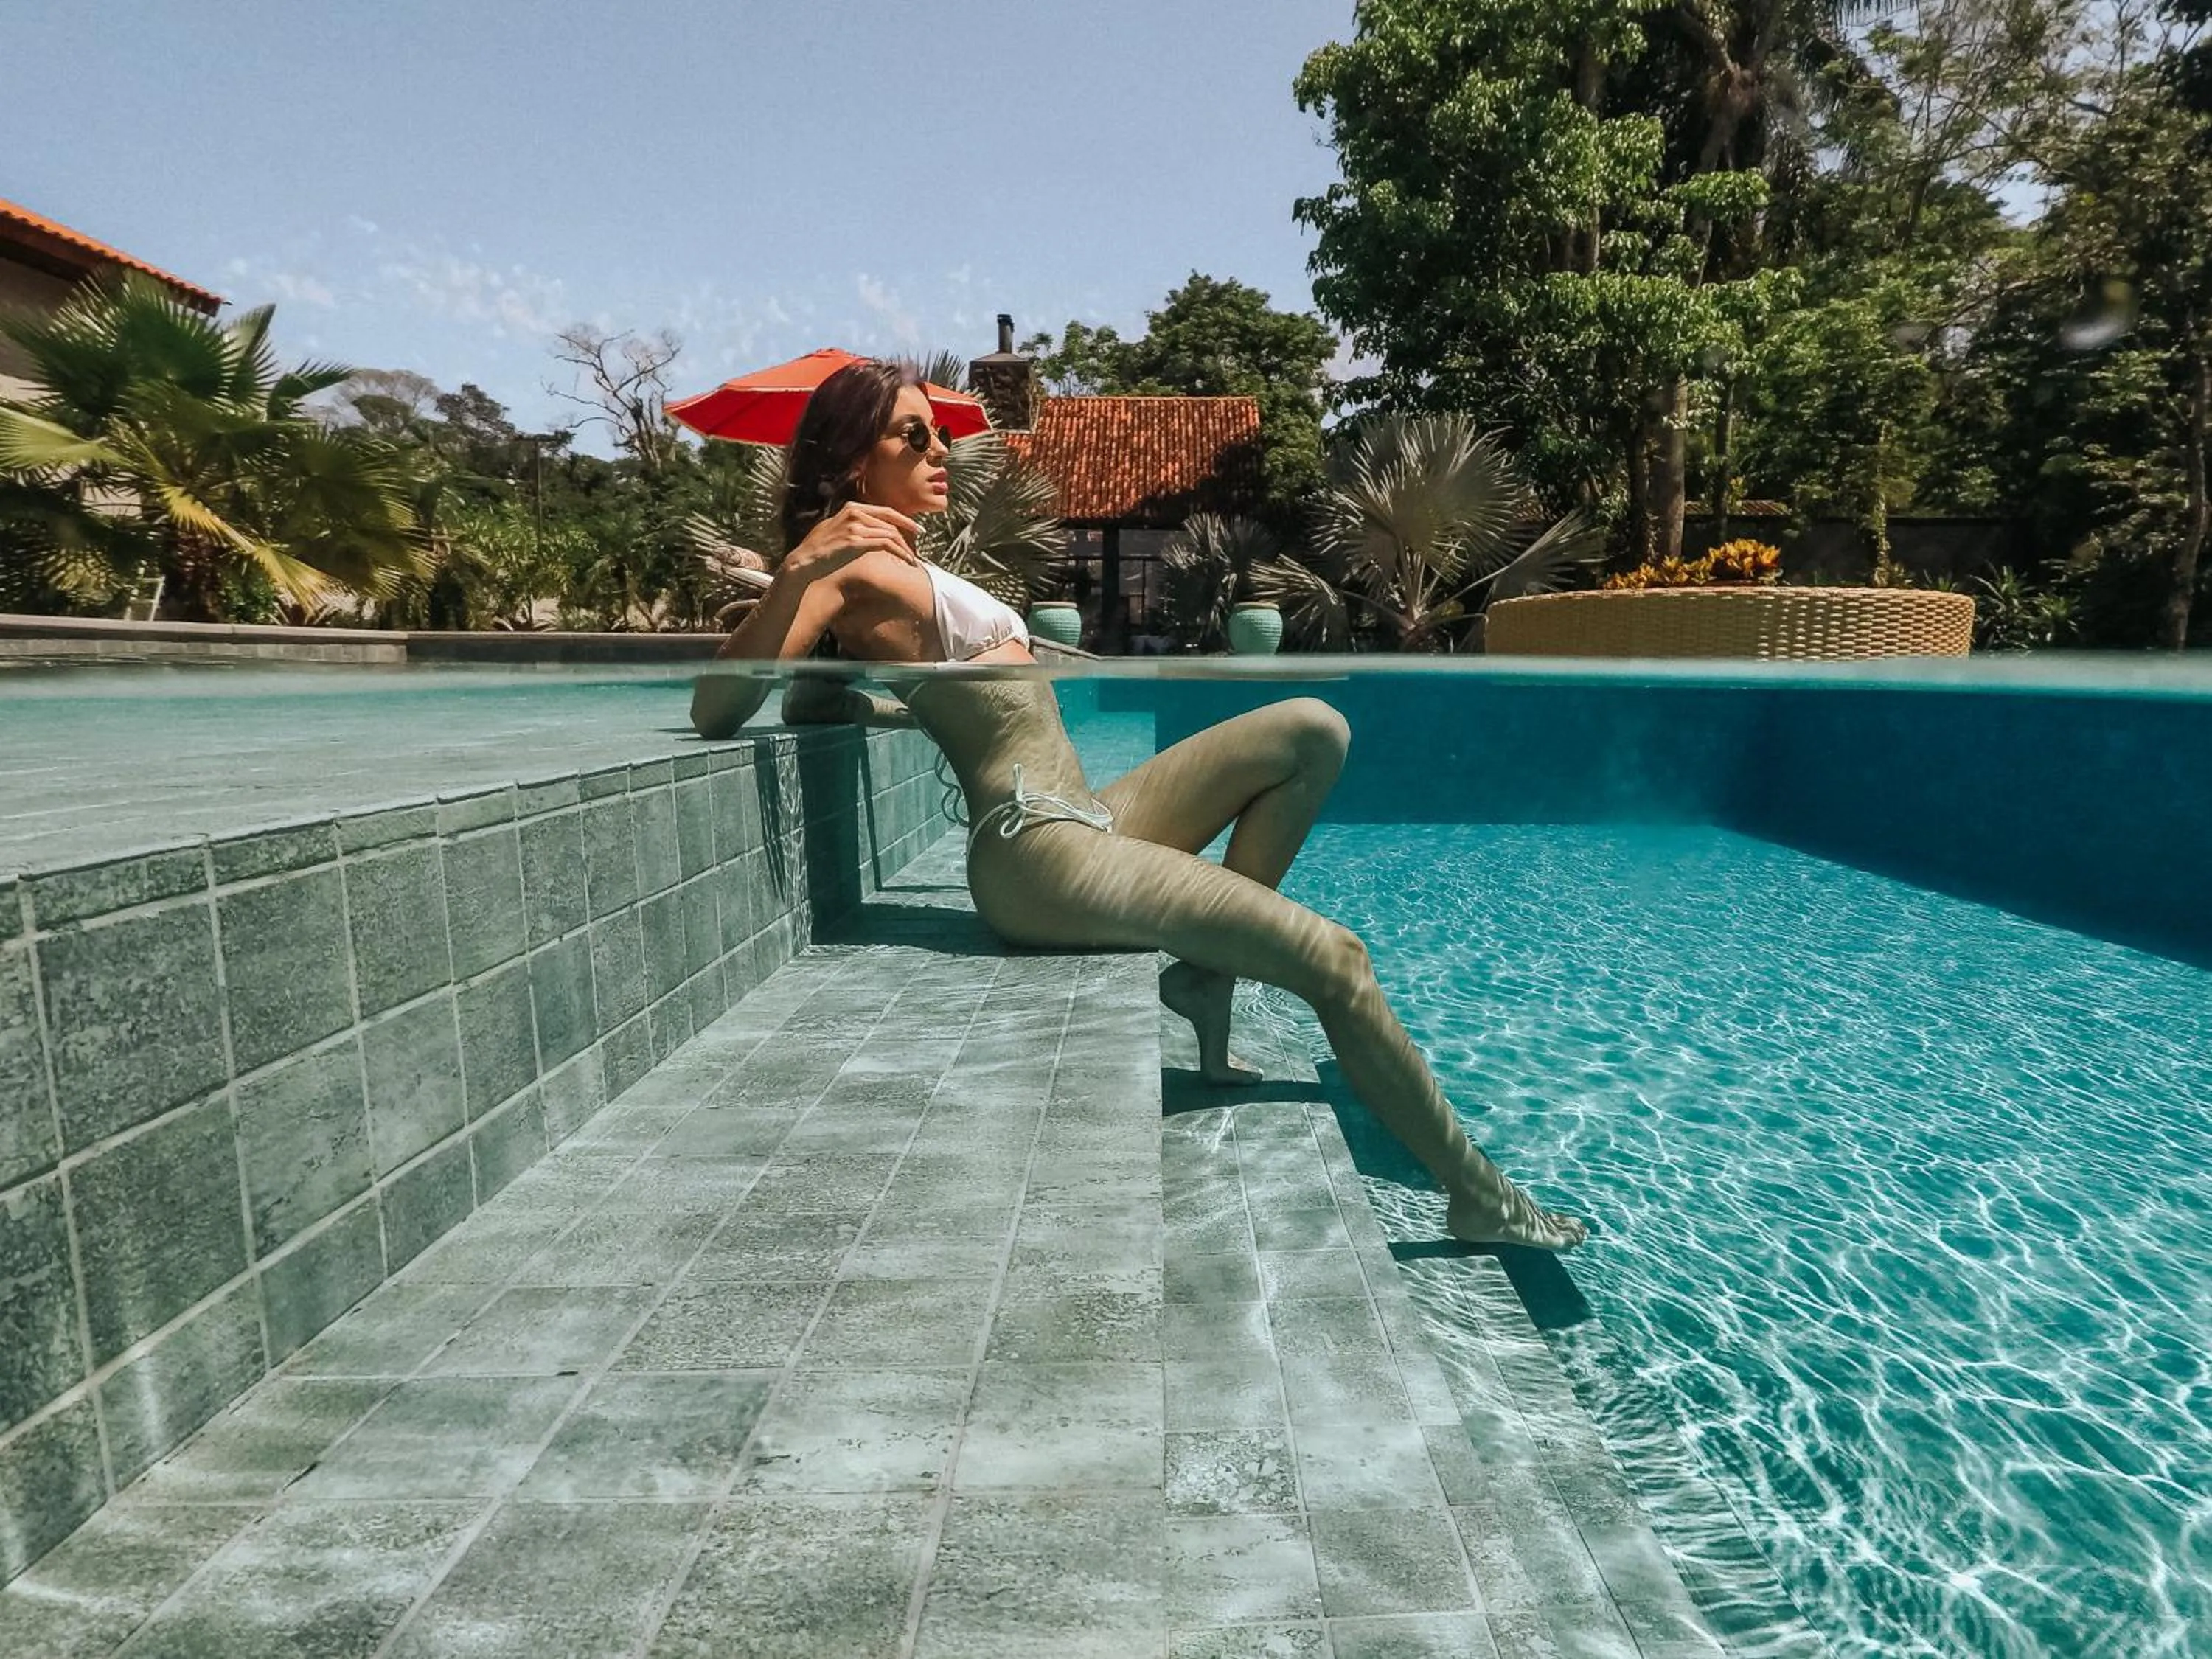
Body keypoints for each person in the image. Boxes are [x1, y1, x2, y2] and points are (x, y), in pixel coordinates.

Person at [691, 360, 1585, 1250]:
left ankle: (1207, 975)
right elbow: (716, 708)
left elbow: (818, 695)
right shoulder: (842, 570)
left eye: (944, 434)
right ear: (853, 460)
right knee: (1335, 959)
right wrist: (795, 574)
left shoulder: (891, 560)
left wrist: (876, 702)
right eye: (913, 436)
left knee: (1314, 727)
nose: (943, 452)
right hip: (1037, 854)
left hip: (1086, 814)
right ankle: (1478, 1196)